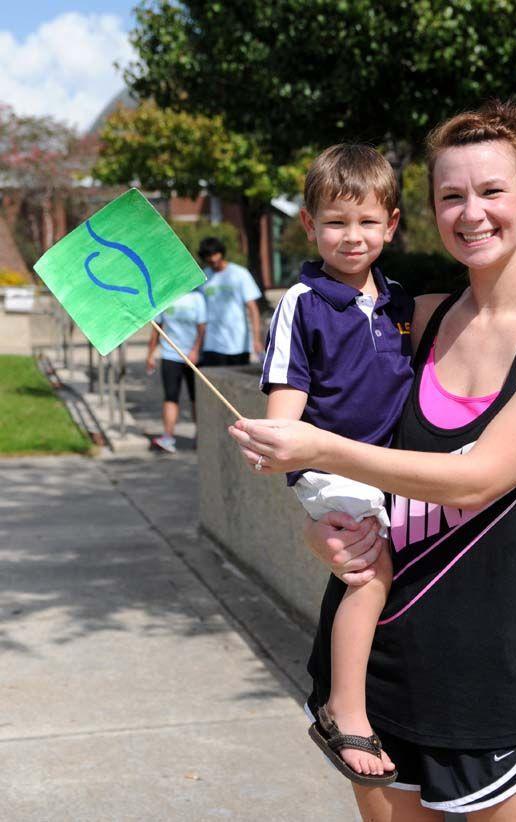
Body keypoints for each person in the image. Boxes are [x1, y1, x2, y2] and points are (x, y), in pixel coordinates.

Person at [229, 99, 516, 821]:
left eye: (492, 190)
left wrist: (321, 450)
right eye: (451, 196)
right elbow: (325, 411)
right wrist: (318, 524)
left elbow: (481, 477)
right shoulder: (415, 318)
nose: (472, 212)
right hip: (379, 675)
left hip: (493, 683)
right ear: (430, 211)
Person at [260, 144, 414, 783]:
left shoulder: (400, 302)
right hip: (327, 466)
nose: (352, 237)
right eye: (336, 222)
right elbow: (284, 414)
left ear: (393, 224)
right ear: (308, 223)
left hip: (388, 464)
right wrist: (282, 446)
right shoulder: (303, 301)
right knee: (369, 571)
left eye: (367, 222)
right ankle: (343, 707)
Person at [146, 289, 207, 454]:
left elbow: (202, 328)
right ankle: (168, 437)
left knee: (195, 398)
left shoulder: (197, 298)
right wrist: (150, 354)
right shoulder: (165, 296)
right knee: (170, 396)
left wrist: (195, 350)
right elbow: (156, 329)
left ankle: (200, 437)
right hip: (170, 354)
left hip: (192, 356)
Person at [197, 237, 263, 366]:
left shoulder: (240, 273)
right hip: (212, 343)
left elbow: (253, 308)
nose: (213, 259)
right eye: (208, 256)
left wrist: (256, 339)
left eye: (215, 254)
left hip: (238, 344)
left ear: (221, 253)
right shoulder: (203, 278)